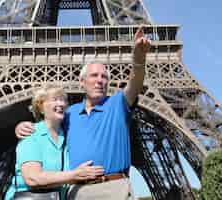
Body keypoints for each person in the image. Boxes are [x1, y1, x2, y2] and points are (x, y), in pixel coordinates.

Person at [15, 27, 151, 200]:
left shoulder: (117, 104)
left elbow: (135, 84)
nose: (99, 80)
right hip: (78, 191)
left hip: (114, 188)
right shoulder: (69, 114)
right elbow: (48, 128)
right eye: (94, 75)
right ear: (82, 82)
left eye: (104, 77)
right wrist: (22, 126)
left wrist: (138, 59)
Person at [5, 86, 104, 200]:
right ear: (41, 108)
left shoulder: (68, 137)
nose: (61, 104)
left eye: (63, 100)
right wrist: (74, 175)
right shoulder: (32, 134)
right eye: (55, 99)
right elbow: (32, 178)